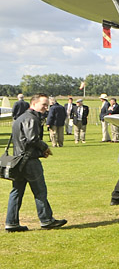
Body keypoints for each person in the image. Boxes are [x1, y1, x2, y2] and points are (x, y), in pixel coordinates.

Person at [5, 94, 67, 231]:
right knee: (40, 191)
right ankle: (46, 220)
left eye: (47, 105)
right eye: (43, 105)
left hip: (18, 161)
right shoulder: (31, 118)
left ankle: (11, 222)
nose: (46, 108)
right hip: (29, 161)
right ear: (33, 104)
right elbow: (32, 139)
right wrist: (44, 147)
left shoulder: (20, 118)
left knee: (16, 192)